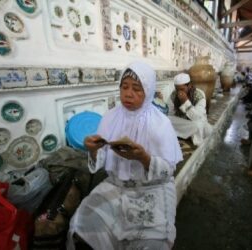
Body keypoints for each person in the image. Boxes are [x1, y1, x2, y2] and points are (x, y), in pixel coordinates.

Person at [67, 61, 183, 250]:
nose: (128, 94)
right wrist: (94, 149)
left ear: (148, 91)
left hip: (151, 188)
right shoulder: (110, 117)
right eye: (124, 87)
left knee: (155, 241)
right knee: (82, 224)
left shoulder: (160, 124)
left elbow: (168, 172)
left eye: (137, 89)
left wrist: (144, 158)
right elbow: (103, 160)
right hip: (116, 184)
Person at [167, 73, 212, 146]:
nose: (179, 92)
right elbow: (170, 112)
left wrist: (185, 102)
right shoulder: (174, 94)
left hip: (195, 121)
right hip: (182, 122)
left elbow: (196, 117)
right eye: (177, 89)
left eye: (182, 89)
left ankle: (187, 134)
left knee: (197, 125)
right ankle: (187, 134)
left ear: (189, 85)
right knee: (166, 119)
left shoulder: (199, 94)